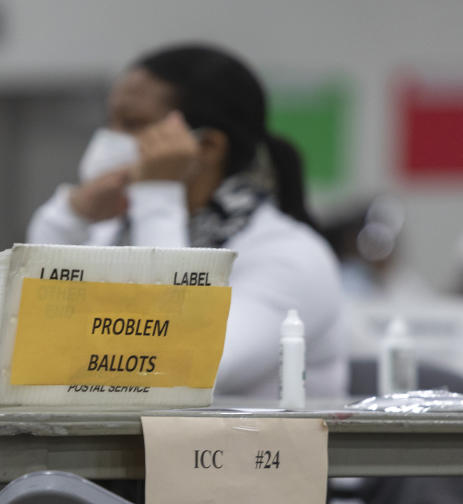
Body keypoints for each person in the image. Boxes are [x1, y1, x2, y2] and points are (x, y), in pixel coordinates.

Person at [28, 44, 347, 399]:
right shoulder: (116, 230)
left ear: (207, 146)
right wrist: (73, 215)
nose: (110, 138)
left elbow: (178, 367)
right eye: (111, 121)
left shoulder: (288, 256)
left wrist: (159, 194)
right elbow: (35, 320)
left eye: (133, 124)